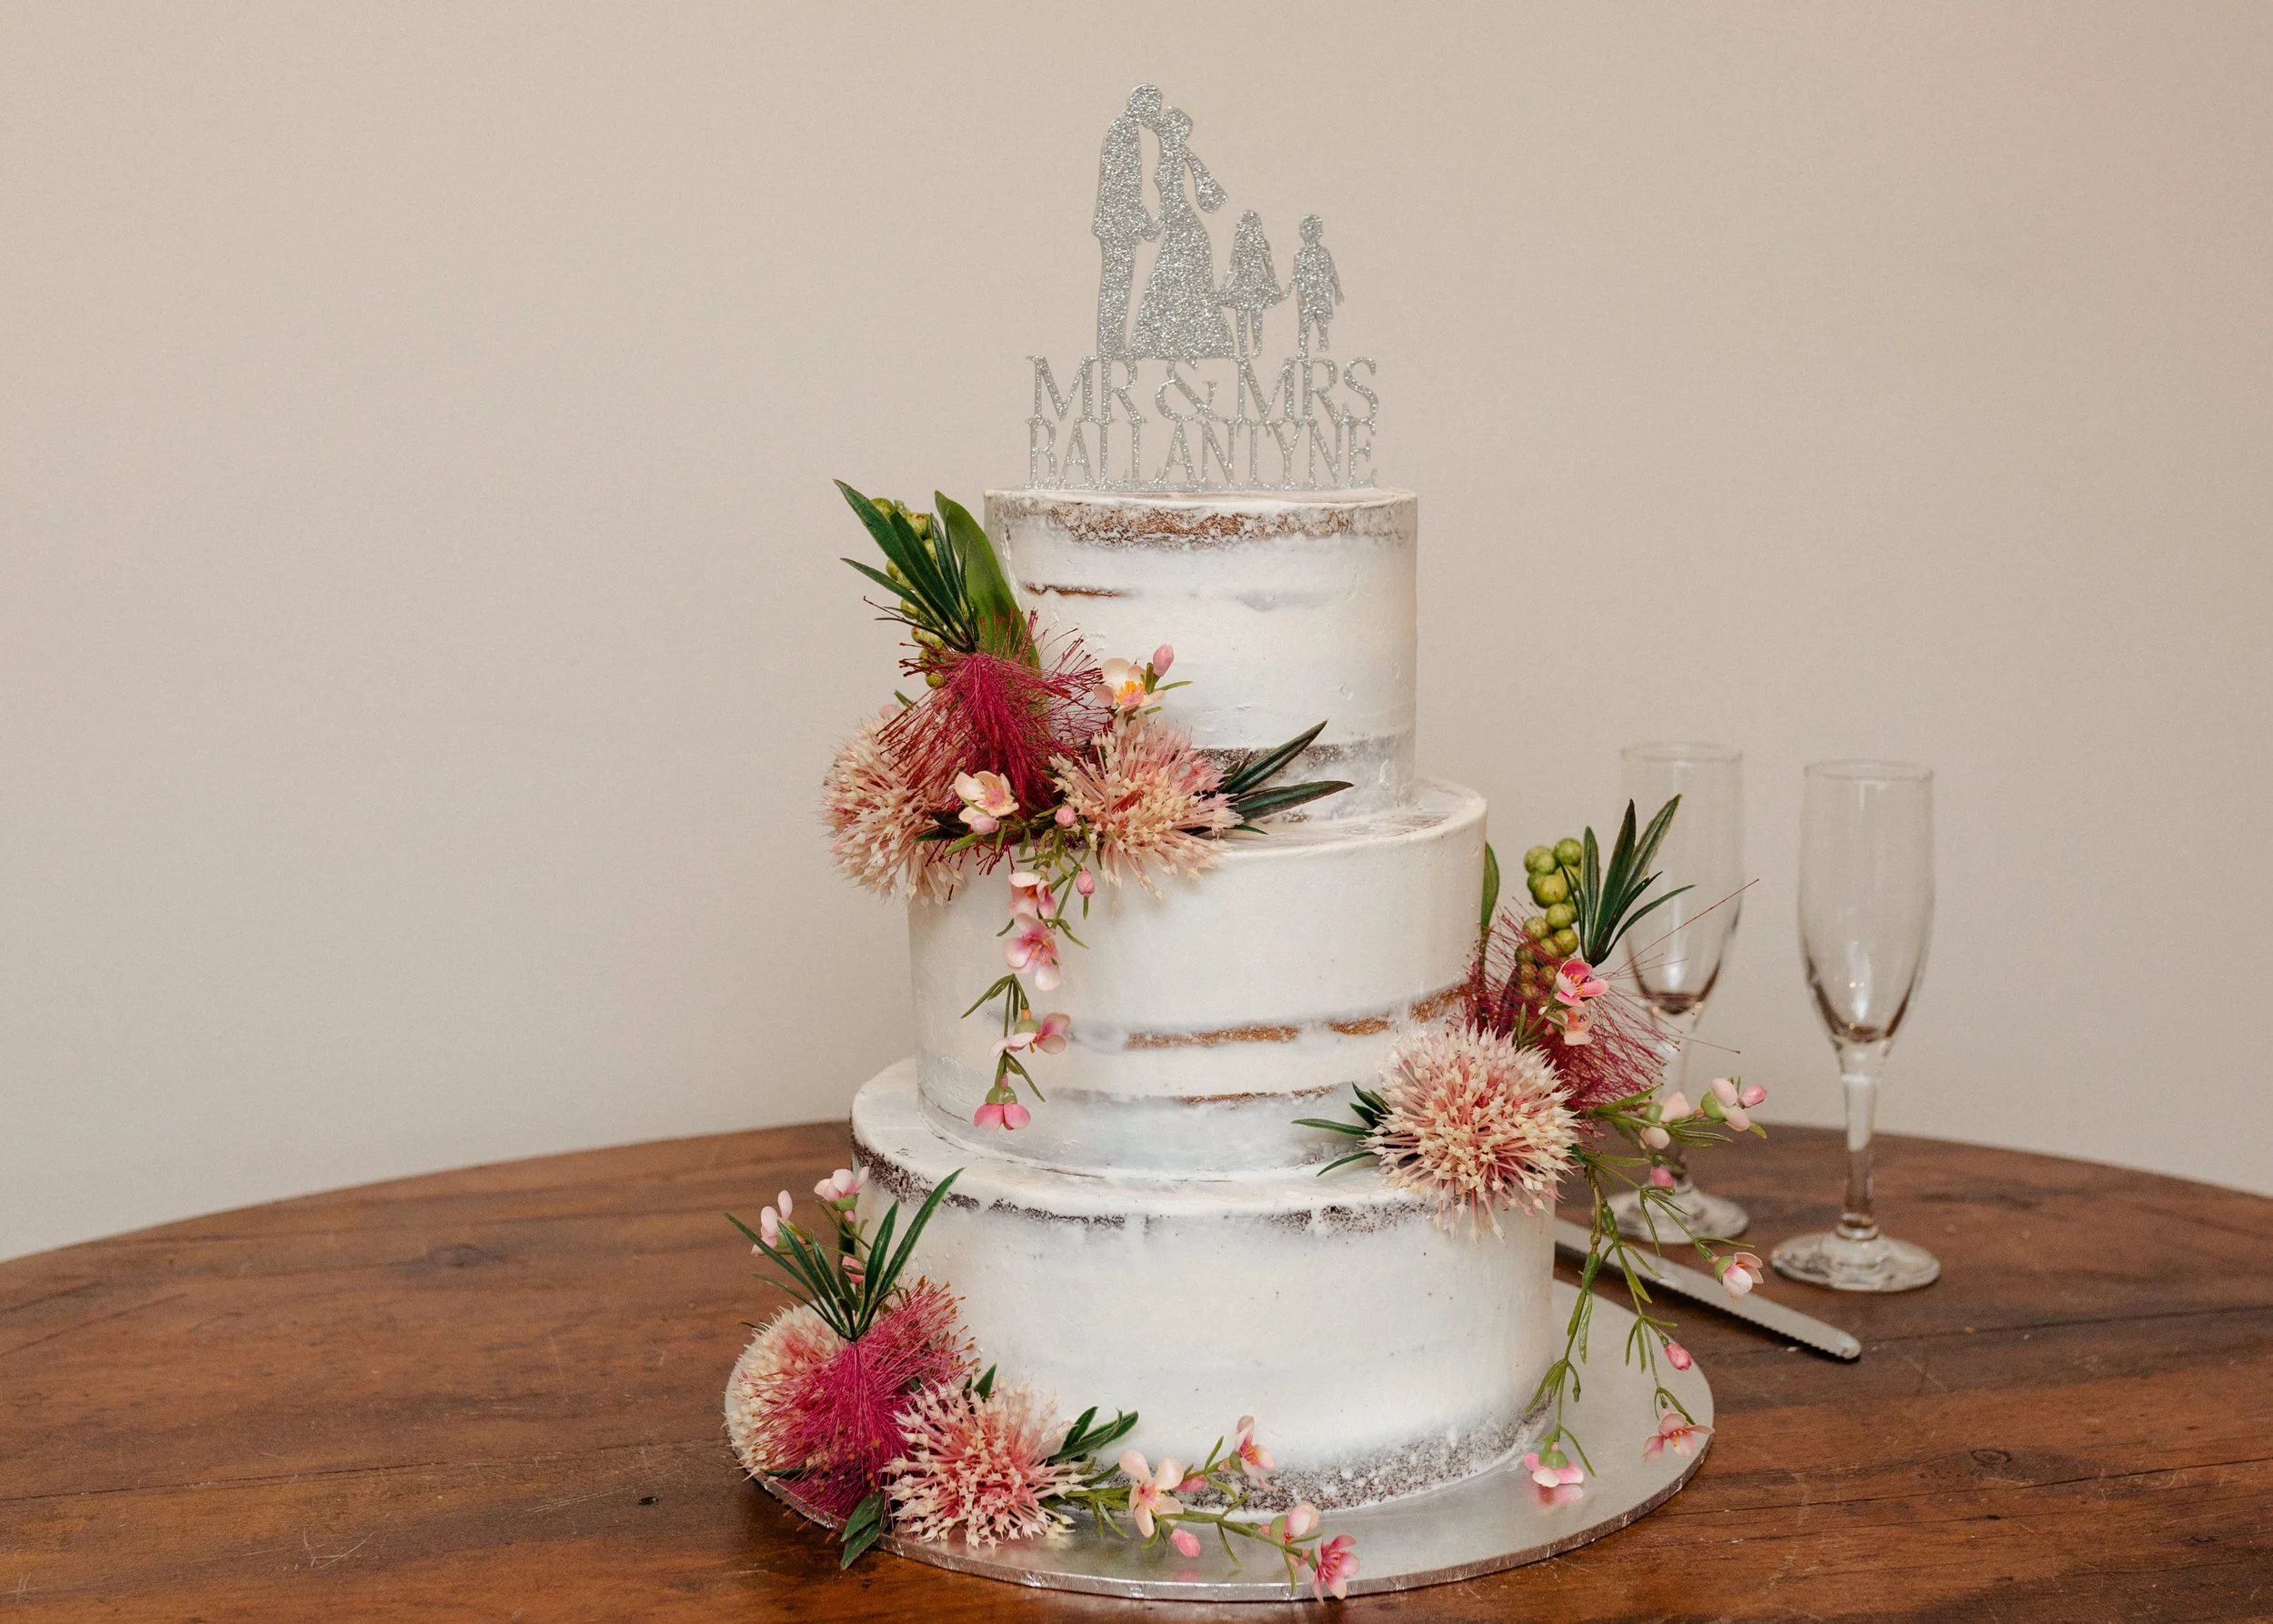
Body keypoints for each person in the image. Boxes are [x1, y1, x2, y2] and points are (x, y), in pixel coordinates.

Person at [1127, 106, 1233, 362]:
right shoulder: (1172, 153)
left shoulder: (1172, 156)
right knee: (1176, 285)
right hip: (1182, 227)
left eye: (1164, 127)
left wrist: (1156, 225)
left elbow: (1172, 199)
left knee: (1173, 282)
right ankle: (1181, 344)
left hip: (1183, 229)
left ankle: (1179, 344)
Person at [1093, 85, 1162, 360]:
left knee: (1118, 284)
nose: (1155, 114)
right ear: (1141, 105)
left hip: (1119, 222)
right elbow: (1121, 185)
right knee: (1116, 285)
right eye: (1153, 108)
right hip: (1118, 224)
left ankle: (1113, 344)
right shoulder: (1123, 132)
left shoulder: (1126, 130)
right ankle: (1111, 346)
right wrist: (1144, 222)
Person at [1217, 211, 1284, 359]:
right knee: (1242, 318)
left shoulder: (1262, 243)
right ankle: (1244, 349)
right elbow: (1233, 266)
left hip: (1257, 283)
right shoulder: (1240, 243)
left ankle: (1257, 347)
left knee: (1256, 317)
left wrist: (1275, 284)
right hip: (1241, 283)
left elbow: (1269, 265)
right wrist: (1223, 285)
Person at [1292, 215, 1344, 356]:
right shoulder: (1300, 254)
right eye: (1303, 229)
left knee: (1322, 318)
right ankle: (1303, 348)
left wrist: (1338, 290)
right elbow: (1295, 275)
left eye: (1306, 229)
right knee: (1304, 321)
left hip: (1321, 292)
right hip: (1305, 294)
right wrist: (1287, 291)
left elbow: (1332, 271)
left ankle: (1323, 341)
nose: (1302, 232)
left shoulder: (1324, 253)